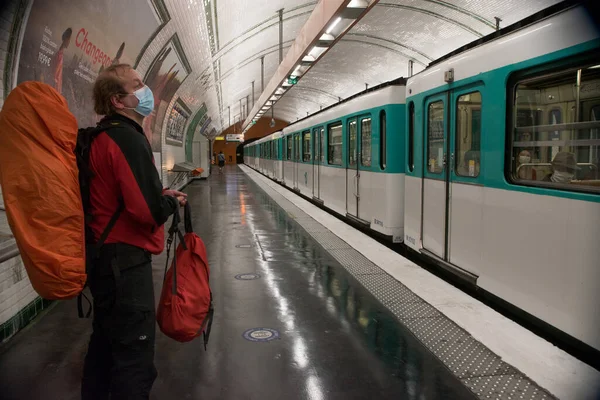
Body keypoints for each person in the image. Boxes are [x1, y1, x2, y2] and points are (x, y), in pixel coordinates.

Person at [82, 63, 187, 400]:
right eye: (137, 85)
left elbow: (123, 197)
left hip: (104, 258)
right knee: (134, 360)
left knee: (104, 351)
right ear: (117, 100)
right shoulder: (126, 138)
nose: (146, 91)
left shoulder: (101, 136)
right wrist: (171, 204)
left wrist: (160, 197)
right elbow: (147, 212)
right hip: (124, 264)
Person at [54, 28, 72, 94]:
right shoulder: (59, 55)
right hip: (55, 90)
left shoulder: (60, 54)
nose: (69, 42)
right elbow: (56, 76)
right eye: (69, 39)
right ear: (66, 39)